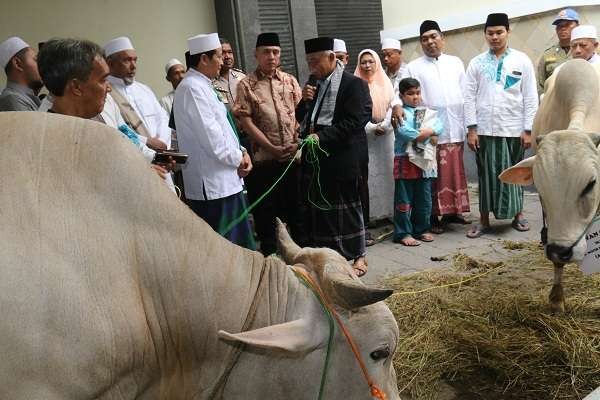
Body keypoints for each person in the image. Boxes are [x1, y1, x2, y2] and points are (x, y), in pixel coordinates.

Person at [37, 38, 169, 179]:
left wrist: (150, 161)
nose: (109, 88)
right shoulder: (47, 140)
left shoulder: (91, 116)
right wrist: (136, 178)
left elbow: (123, 140)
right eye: (103, 80)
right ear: (76, 87)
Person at [296, 37, 372, 277]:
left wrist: (323, 136)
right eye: (308, 62)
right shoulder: (315, 85)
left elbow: (356, 120)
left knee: (348, 209)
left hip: (343, 158)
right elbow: (303, 117)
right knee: (324, 212)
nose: (312, 67)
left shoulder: (353, 84)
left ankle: (358, 256)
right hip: (319, 162)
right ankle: (330, 256)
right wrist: (304, 100)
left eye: (316, 61)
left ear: (331, 58)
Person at [174, 33, 255, 250]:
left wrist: (243, 151)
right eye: (218, 56)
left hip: (227, 180)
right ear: (204, 59)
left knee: (240, 249)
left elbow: (224, 129)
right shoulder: (192, 88)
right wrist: (239, 158)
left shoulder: (204, 85)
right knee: (226, 251)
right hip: (213, 187)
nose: (223, 60)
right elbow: (213, 141)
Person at [464, 13, 538, 238]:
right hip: (485, 131)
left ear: (508, 32)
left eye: (499, 32)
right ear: (485, 34)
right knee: (485, 176)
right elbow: (468, 97)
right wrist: (471, 129)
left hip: (513, 129)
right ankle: (484, 220)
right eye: (490, 33)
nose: (494, 37)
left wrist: (528, 130)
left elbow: (530, 97)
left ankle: (518, 215)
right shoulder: (476, 63)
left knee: (516, 172)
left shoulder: (521, 60)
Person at [233, 32, 302, 255]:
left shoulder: (290, 81)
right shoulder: (246, 85)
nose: (271, 56)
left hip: (292, 160)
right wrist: (271, 148)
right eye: (266, 52)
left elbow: (301, 116)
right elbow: (246, 123)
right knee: (266, 217)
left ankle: (299, 259)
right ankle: (271, 261)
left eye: (275, 52)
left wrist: (296, 143)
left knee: (296, 213)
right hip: (263, 162)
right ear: (256, 55)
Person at [406, 20, 471, 234]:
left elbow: (465, 94)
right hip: (429, 128)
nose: (430, 42)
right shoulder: (413, 67)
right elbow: (408, 97)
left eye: (433, 37)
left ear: (442, 38)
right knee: (430, 173)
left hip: (454, 125)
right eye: (424, 39)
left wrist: (468, 125)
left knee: (454, 171)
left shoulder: (455, 62)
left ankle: (454, 212)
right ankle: (432, 216)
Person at [393, 77, 442, 246]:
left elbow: (439, 125)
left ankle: (422, 229)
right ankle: (403, 232)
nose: (415, 97)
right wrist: (425, 135)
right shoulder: (400, 113)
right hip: (404, 161)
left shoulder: (426, 112)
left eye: (418, 93)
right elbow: (402, 131)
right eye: (410, 94)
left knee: (424, 198)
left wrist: (430, 130)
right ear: (401, 95)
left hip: (425, 162)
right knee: (404, 198)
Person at [104, 37, 171, 152]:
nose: (133, 66)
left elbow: (162, 118)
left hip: (162, 155)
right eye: (127, 60)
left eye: (135, 60)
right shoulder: (105, 92)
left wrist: (162, 141)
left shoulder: (144, 90)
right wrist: (147, 142)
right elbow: (115, 129)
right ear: (110, 63)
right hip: (133, 157)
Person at [354, 49, 395, 230]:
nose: (367, 65)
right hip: (366, 137)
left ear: (377, 63)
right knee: (370, 176)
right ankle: (372, 214)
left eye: (371, 61)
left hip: (386, 135)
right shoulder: (355, 84)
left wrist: (385, 125)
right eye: (364, 62)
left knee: (388, 172)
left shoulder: (386, 83)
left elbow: (394, 106)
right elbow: (354, 112)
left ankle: (390, 212)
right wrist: (370, 128)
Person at [538, 8, 579, 93]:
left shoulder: (585, 52)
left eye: (567, 24)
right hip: (554, 103)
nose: (563, 28)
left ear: (577, 27)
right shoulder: (547, 55)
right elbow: (540, 86)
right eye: (559, 26)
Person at [0, 36, 43, 111]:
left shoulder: (27, 97)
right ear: (17, 64)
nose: (42, 65)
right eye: (36, 60)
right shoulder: (12, 99)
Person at [213, 38, 246, 110]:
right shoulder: (210, 82)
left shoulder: (242, 77)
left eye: (230, 52)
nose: (227, 56)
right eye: (222, 53)